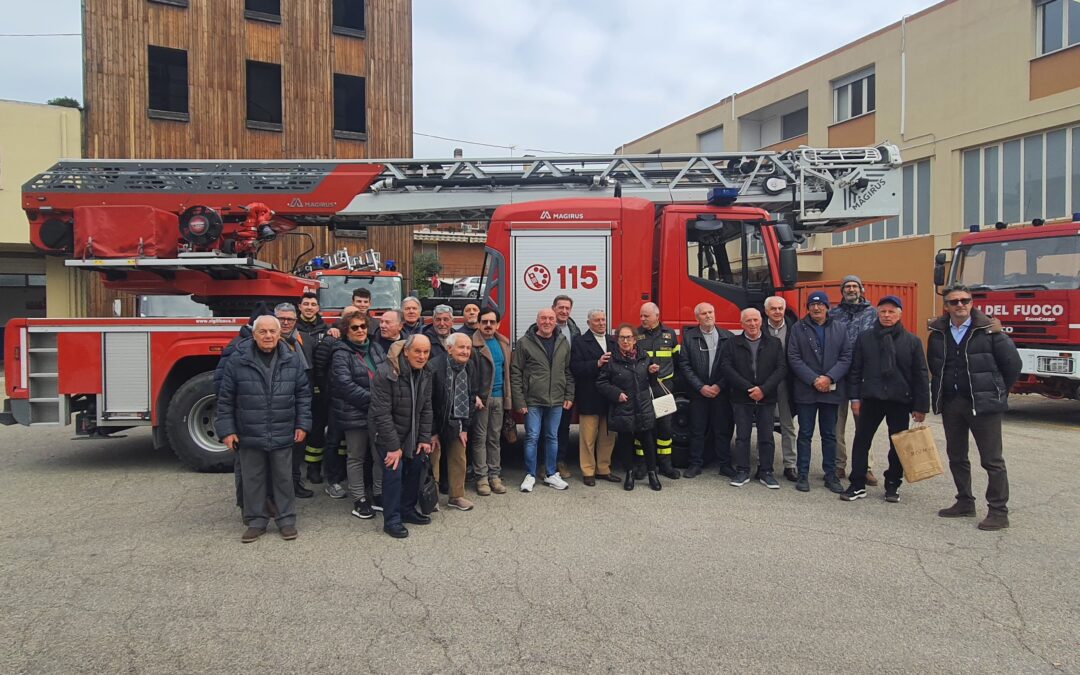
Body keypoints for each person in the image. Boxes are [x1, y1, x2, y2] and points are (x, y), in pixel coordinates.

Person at [927, 284, 1021, 531]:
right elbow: (935, 367)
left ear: (971, 302)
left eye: (965, 300)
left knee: (992, 460)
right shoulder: (938, 333)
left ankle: (998, 511)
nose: (960, 305)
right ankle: (965, 501)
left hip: (984, 405)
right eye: (954, 302)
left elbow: (1012, 365)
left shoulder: (989, 330)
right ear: (946, 306)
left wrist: (996, 390)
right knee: (956, 456)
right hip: (952, 403)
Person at [216, 315, 312, 543]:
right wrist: (227, 431)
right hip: (249, 431)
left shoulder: (292, 359)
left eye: (272, 331)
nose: (268, 336)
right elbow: (225, 398)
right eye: (263, 332)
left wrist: (302, 424)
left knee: (283, 478)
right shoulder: (238, 360)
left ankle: (286, 520)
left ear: (279, 334)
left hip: (283, 429)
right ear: (254, 334)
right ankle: (256, 521)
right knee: (253, 478)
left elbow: (303, 395)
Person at [840, 295, 930, 503]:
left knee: (897, 444)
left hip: (899, 400)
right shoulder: (866, 338)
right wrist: (854, 398)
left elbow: (920, 375)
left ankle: (892, 484)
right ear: (877, 313)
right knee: (862, 441)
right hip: (871, 398)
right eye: (883, 311)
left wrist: (920, 406)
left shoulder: (912, 341)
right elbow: (856, 370)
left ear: (899, 314)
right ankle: (857, 484)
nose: (887, 316)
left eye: (891, 312)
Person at [369, 334, 435, 539]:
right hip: (388, 434)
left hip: (413, 433)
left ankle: (407, 510)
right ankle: (392, 520)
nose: (422, 356)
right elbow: (382, 413)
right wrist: (393, 447)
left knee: (415, 471)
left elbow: (426, 408)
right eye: (417, 351)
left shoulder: (426, 373)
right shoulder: (387, 373)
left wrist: (424, 438)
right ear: (406, 352)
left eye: (426, 352)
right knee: (393, 476)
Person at [788, 291, 852, 495]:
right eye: (812, 305)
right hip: (807, 390)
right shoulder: (798, 328)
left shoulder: (840, 328)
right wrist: (814, 379)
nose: (816, 309)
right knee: (805, 434)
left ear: (827, 307)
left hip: (831, 391)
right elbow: (794, 357)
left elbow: (846, 357)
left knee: (830, 435)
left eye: (820, 305)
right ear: (807, 308)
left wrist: (829, 378)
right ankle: (803, 475)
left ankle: (831, 475)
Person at [721, 308, 787, 488]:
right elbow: (727, 368)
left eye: (755, 320)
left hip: (766, 397)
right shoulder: (732, 343)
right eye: (748, 321)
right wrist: (749, 388)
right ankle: (742, 471)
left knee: (766, 436)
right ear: (741, 323)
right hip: (742, 397)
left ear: (761, 321)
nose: (752, 324)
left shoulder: (774, 343)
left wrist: (763, 389)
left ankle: (766, 472)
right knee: (742, 436)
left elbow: (781, 368)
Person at [330, 310, 386, 521]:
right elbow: (344, 385)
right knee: (356, 457)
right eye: (355, 327)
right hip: (355, 412)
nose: (360, 330)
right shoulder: (341, 353)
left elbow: (388, 373)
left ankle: (379, 494)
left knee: (379, 455)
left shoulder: (377, 348)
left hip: (378, 413)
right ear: (346, 330)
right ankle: (360, 499)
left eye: (363, 326)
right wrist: (374, 400)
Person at [511, 307, 574, 492]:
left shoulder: (563, 342)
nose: (547, 322)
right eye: (543, 318)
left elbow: (568, 371)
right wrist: (519, 401)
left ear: (556, 321)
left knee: (552, 437)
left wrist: (569, 395)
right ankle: (530, 475)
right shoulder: (524, 343)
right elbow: (516, 372)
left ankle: (551, 474)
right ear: (537, 321)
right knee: (531, 437)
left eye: (550, 318)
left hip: (556, 399)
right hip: (532, 400)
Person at [597, 323, 663, 491]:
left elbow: (652, 382)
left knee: (648, 441)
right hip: (623, 407)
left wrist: (654, 372)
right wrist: (616, 393)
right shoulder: (611, 359)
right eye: (622, 337)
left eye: (628, 337)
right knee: (626, 442)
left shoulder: (644, 356)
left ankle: (652, 474)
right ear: (617, 340)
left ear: (634, 340)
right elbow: (601, 382)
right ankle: (630, 474)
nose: (625, 341)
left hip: (643, 405)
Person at [829, 275, 880, 485]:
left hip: (864, 375)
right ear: (842, 291)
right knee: (836, 423)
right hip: (839, 374)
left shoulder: (874, 314)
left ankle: (864, 467)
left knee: (864, 424)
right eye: (847, 287)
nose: (851, 289)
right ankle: (838, 465)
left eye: (854, 286)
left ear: (861, 289)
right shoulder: (833, 314)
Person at [677, 302, 735, 478]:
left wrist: (719, 385)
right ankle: (695, 464)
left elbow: (732, 366)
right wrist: (700, 387)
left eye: (711, 312)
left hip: (720, 392)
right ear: (697, 318)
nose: (708, 315)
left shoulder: (728, 337)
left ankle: (725, 465)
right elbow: (684, 366)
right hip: (698, 393)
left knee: (722, 429)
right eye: (704, 313)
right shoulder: (689, 338)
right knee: (697, 429)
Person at [430, 332, 482, 512]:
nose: (466, 351)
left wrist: (465, 427)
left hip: (457, 422)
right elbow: (427, 403)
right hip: (435, 422)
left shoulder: (469, 366)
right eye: (462, 347)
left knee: (459, 458)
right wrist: (432, 431)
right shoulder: (434, 366)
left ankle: (456, 496)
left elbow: (471, 396)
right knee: (433, 461)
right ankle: (431, 498)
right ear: (449, 348)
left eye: (468, 348)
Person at [313, 305, 362, 498]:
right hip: (336, 402)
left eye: (356, 318)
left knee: (353, 446)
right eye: (348, 317)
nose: (355, 324)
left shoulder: (366, 342)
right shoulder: (331, 340)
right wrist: (326, 393)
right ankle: (333, 481)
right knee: (333, 441)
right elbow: (319, 369)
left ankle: (350, 478)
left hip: (358, 404)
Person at [570, 309, 619, 486]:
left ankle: (604, 469)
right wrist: (596, 363)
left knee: (608, 436)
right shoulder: (580, 342)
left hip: (609, 397)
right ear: (589, 323)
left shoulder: (613, 341)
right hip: (589, 396)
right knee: (587, 438)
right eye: (597, 320)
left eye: (603, 319)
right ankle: (588, 471)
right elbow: (575, 367)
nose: (601, 323)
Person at [469, 308, 511, 496]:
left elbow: (508, 373)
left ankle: (495, 476)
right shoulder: (471, 345)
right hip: (482, 399)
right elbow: (466, 374)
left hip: (499, 398)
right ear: (478, 323)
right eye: (484, 322)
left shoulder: (503, 343)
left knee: (494, 438)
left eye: (492, 322)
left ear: (498, 324)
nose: (488, 325)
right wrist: (473, 395)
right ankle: (482, 478)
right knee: (479, 439)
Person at [275, 302, 316, 499]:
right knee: (278, 450)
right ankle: (279, 490)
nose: (285, 322)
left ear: (295, 320)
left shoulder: (305, 340)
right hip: (277, 405)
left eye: (289, 319)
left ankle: (295, 483)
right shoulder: (268, 341)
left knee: (298, 446)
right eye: (282, 318)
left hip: (301, 401)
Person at [636, 302, 680, 480]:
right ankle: (642, 465)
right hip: (643, 388)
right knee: (642, 426)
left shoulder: (670, 335)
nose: (642, 319)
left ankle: (665, 464)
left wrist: (672, 383)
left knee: (665, 427)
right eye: (641, 316)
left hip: (664, 388)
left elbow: (678, 360)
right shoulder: (636, 335)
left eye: (646, 316)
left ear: (656, 316)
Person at [295, 292, 335, 487]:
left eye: (313, 304)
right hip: (295, 387)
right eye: (306, 304)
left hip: (317, 387)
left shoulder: (326, 330)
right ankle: (292, 471)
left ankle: (313, 468)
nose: (310, 307)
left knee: (317, 429)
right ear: (300, 307)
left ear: (318, 308)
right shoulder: (291, 329)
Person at [763, 296, 798, 482]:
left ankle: (790, 465)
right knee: (765, 424)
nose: (777, 312)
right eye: (773, 309)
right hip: (765, 383)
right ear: (767, 311)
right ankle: (765, 463)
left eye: (780, 308)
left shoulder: (795, 328)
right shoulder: (760, 327)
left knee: (787, 425)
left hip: (786, 383)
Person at [552, 294, 581, 479]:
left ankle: (560, 461)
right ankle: (544, 463)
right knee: (545, 428)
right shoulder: (543, 327)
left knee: (563, 427)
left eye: (567, 308)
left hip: (567, 385)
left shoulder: (574, 331)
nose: (563, 311)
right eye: (560, 307)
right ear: (553, 308)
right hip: (547, 385)